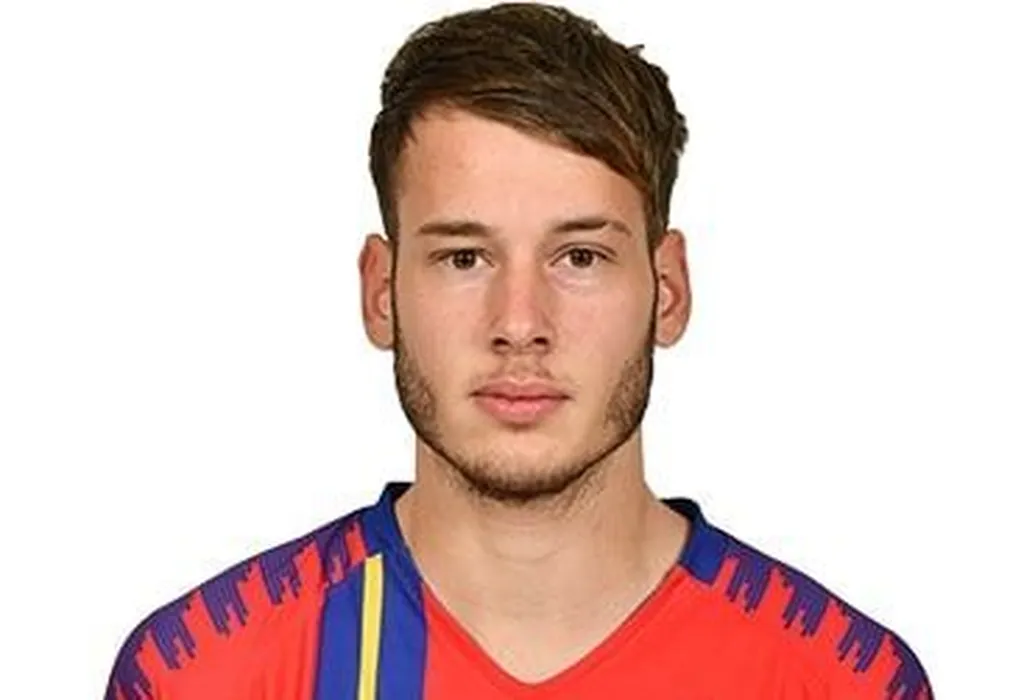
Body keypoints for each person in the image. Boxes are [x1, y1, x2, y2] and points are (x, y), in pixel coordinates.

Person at [104, 3, 932, 698]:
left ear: (668, 289)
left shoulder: (843, 680)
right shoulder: (199, 674)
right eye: (465, 257)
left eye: (581, 257)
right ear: (382, 293)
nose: (520, 322)